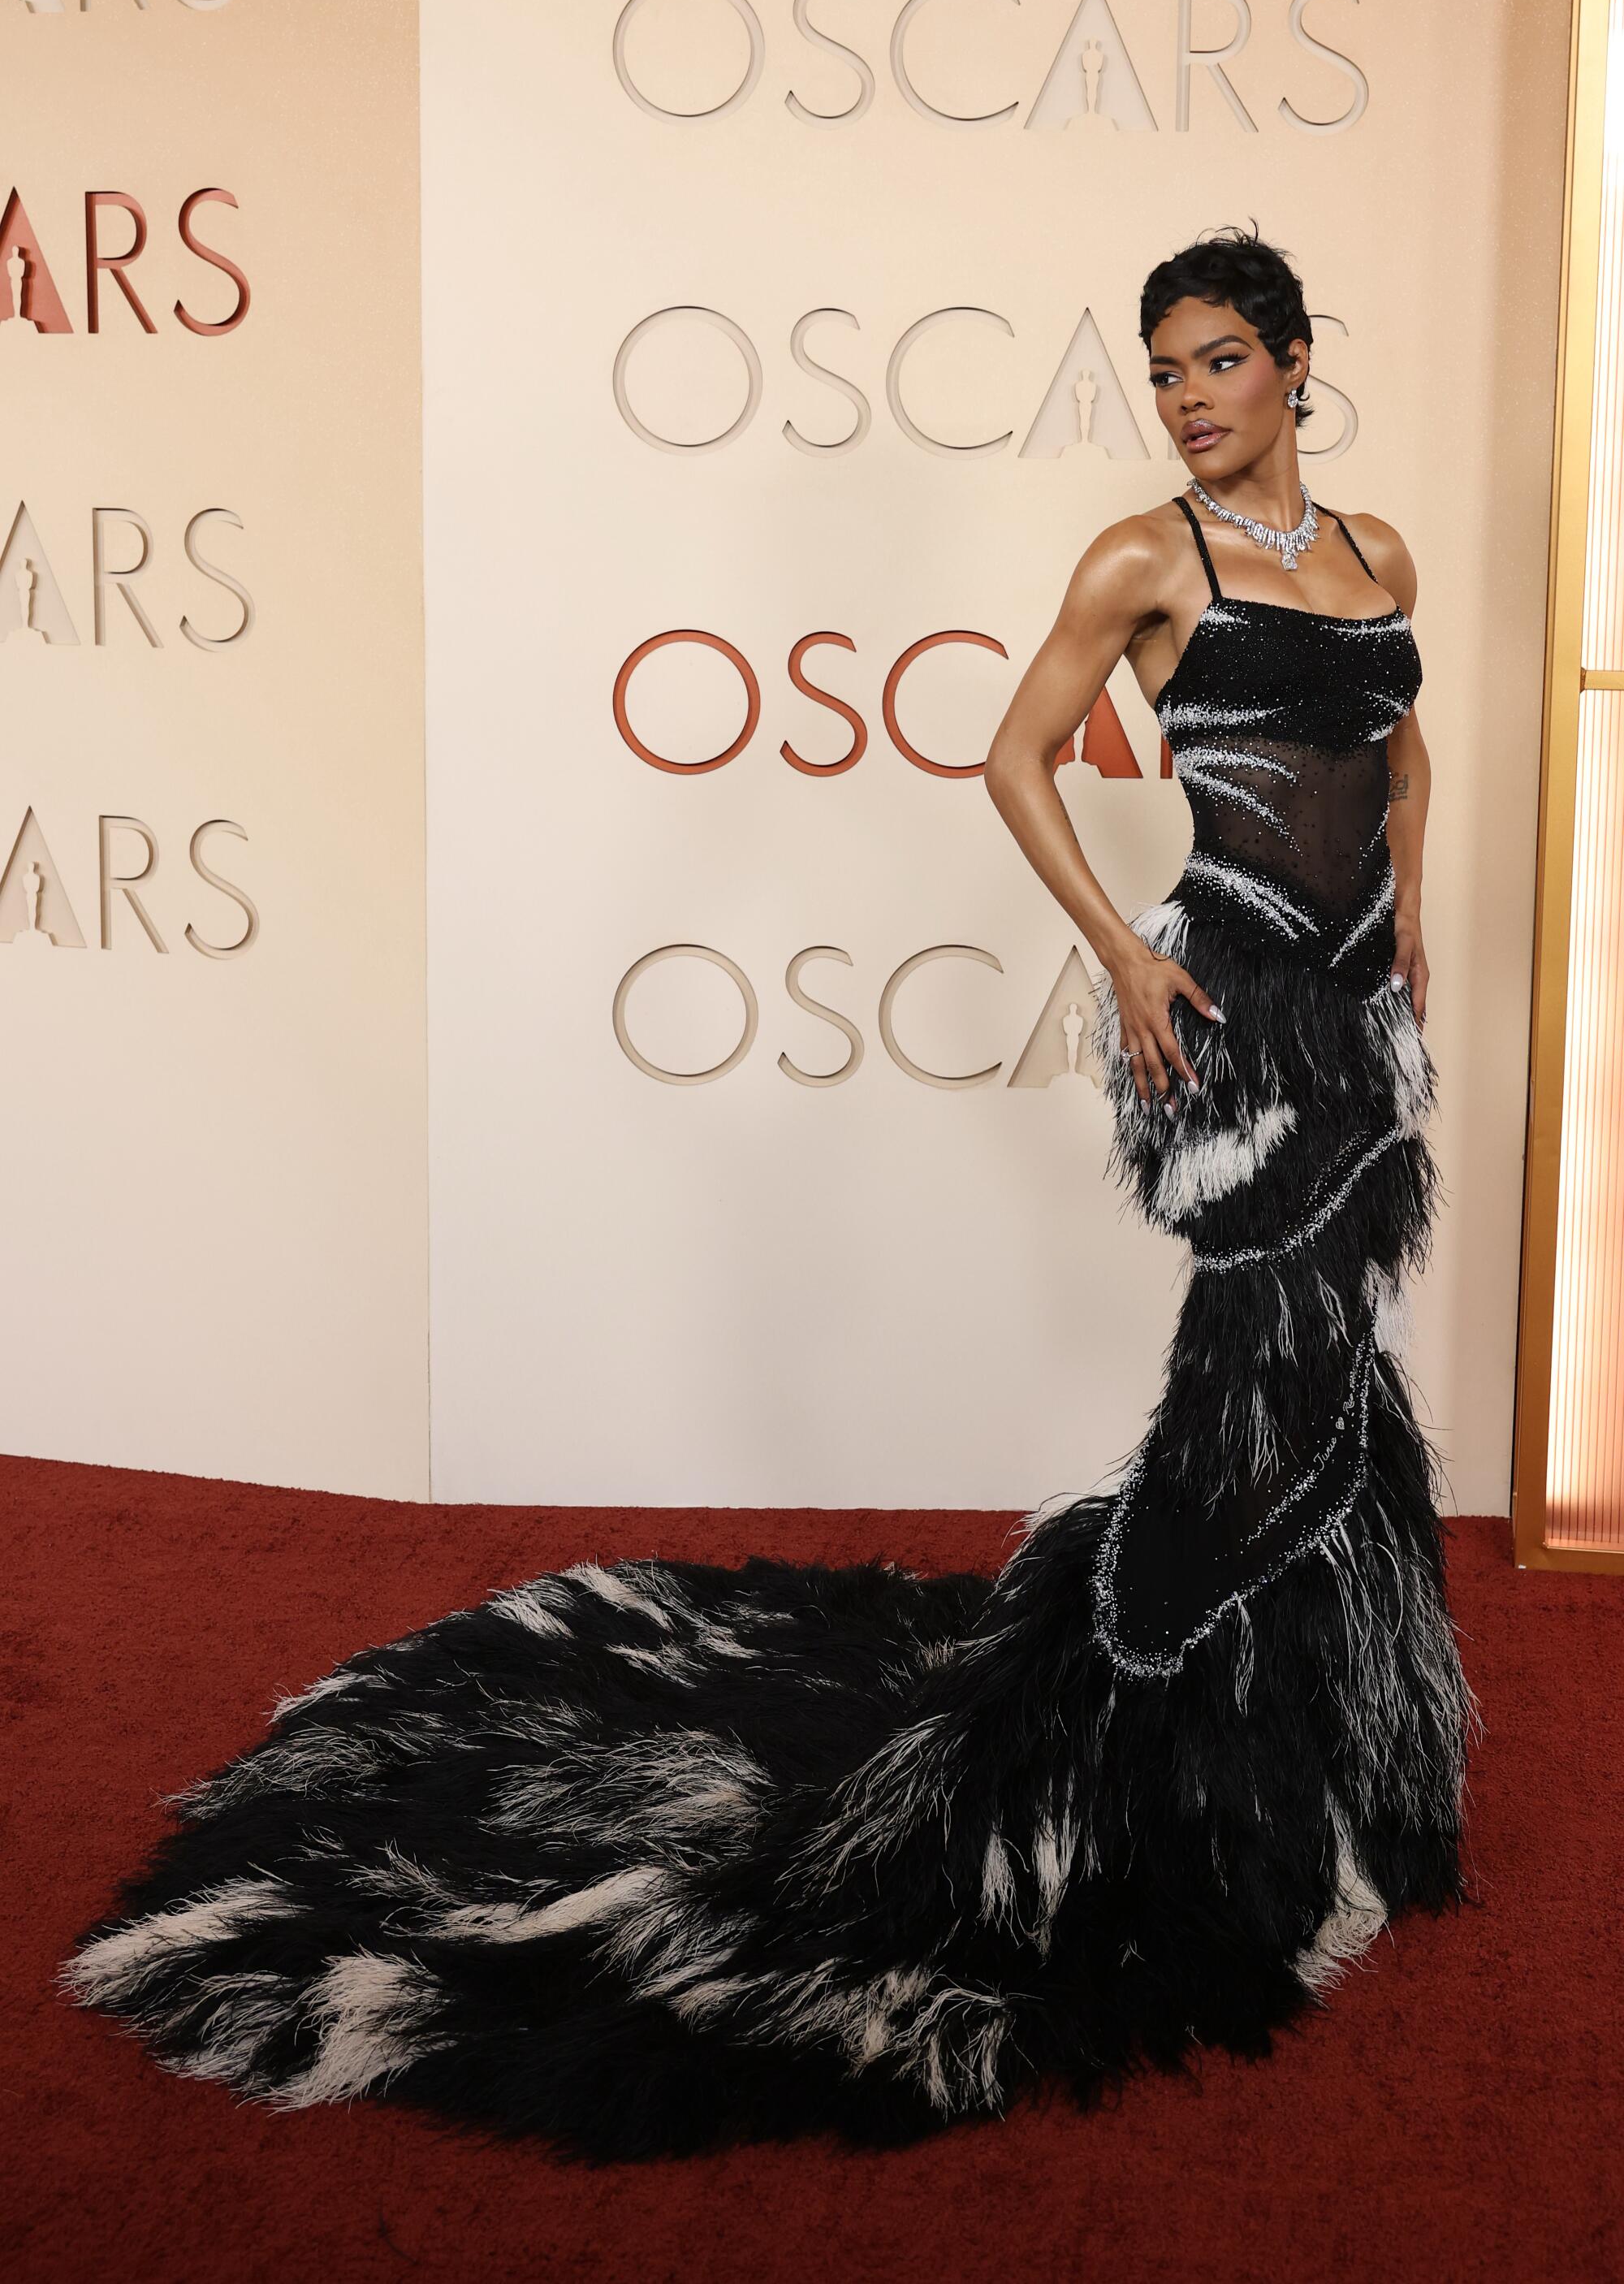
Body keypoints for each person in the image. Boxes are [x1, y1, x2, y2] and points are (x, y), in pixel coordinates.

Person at [58, 223, 1479, 2163]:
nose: (1185, 399)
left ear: (1295, 363)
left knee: (1332, 1367)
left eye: (1216, 362)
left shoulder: (1378, 553)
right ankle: (1153, 1761)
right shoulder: (1151, 561)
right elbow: (1011, 759)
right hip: (1228, 1005)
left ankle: (1321, 1743)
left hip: (1356, 1025)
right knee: (1256, 1358)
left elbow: (1400, 740)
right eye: (1160, 372)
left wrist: (1416, 928)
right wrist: (1123, 961)